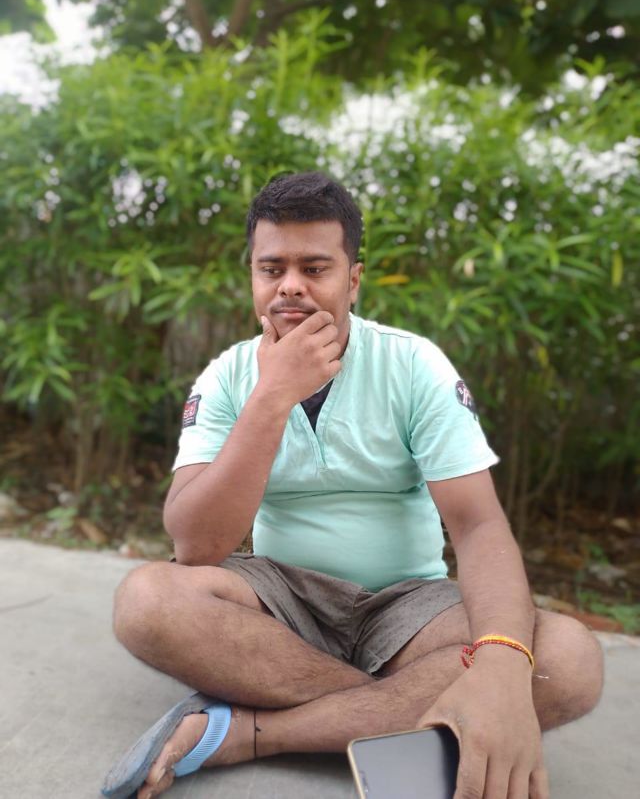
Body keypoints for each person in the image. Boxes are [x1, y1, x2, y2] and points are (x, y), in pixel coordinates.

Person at [103, 171, 603, 799]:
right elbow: (196, 546)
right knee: (147, 602)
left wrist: (502, 663)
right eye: (271, 269)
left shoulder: (412, 365)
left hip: (410, 610)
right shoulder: (226, 377)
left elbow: (478, 526)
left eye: (315, 268)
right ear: (253, 277)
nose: (290, 285)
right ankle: (415, 716)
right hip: (282, 603)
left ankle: (251, 731)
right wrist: (273, 396)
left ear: (353, 279)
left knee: (566, 660)